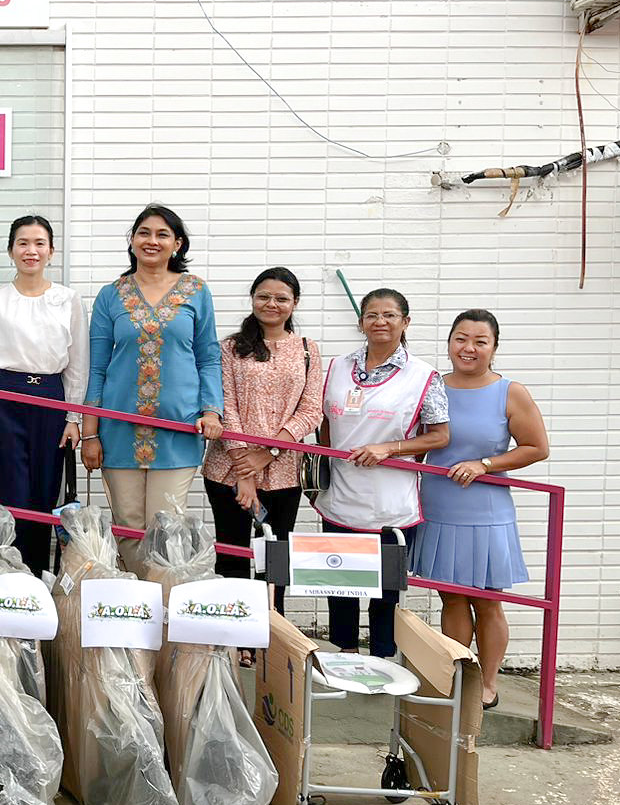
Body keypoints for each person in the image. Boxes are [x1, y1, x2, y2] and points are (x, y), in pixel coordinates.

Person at [412, 310, 549, 709]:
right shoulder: (431, 384)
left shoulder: (509, 391)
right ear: (450, 341)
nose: (468, 348)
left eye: (479, 341)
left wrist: (485, 464)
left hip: (486, 509)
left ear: (494, 347)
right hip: (438, 503)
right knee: (451, 598)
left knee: (488, 600)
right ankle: (457, 676)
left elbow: (536, 447)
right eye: (460, 339)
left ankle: (487, 684)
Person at [81, 204, 222, 575]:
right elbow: (96, 368)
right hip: (119, 430)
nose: (152, 241)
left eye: (162, 234)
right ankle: (136, 609)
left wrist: (212, 410)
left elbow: (208, 357)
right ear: (131, 240)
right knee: (127, 526)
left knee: (167, 526)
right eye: (144, 233)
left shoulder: (196, 291)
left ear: (177, 244)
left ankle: (163, 613)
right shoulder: (112, 295)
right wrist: (90, 433)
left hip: (178, 430)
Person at [315, 289, 451, 658]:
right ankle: (344, 656)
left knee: (384, 593)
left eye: (390, 315)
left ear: (405, 322)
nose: (380, 321)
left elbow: (440, 436)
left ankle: (381, 659)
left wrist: (388, 448)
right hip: (341, 498)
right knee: (341, 587)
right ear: (361, 322)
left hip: (393, 503)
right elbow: (326, 424)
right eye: (372, 314)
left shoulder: (424, 375)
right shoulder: (337, 367)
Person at [202, 267, 323, 657]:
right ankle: (236, 636)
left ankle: (271, 630)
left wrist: (267, 453)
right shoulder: (230, 347)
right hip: (228, 469)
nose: (272, 304)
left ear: (294, 304)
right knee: (234, 550)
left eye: (281, 298)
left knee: (276, 555)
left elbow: (311, 410)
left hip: (284, 469)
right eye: (264, 296)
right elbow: (226, 407)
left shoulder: (306, 349)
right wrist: (244, 470)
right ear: (253, 299)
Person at [0, 215, 87, 575]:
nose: (31, 251)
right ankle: (9, 577)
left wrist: (74, 417)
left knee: (43, 495)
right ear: (11, 250)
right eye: (23, 243)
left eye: (39, 243)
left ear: (51, 251)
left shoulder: (69, 300)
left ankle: (37, 578)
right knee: (11, 496)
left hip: (52, 402)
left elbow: (78, 363)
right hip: (7, 400)